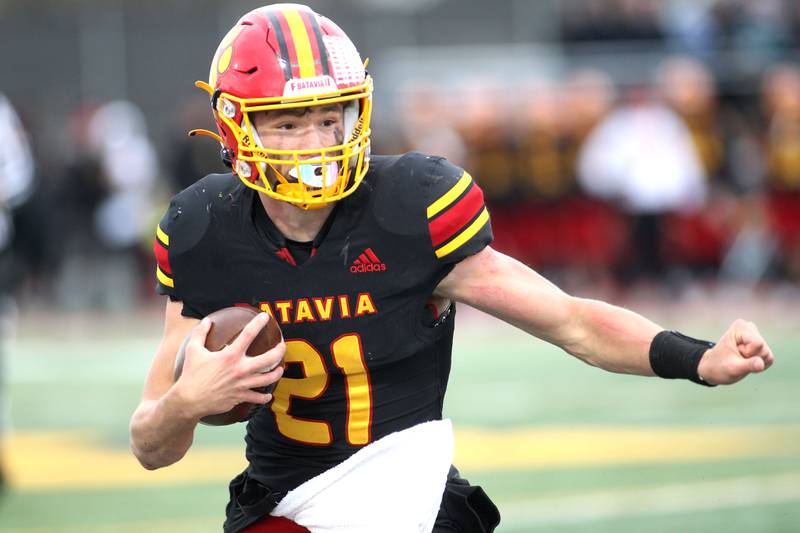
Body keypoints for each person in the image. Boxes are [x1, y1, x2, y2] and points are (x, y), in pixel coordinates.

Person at [129, 4, 775, 532]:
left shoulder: (409, 208)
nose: (317, 143)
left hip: (409, 491)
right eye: (290, 123)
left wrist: (699, 358)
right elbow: (151, 444)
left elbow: (572, 321)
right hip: (285, 504)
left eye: (331, 118)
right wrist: (186, 403)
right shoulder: (204, 228)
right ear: (236, 127)